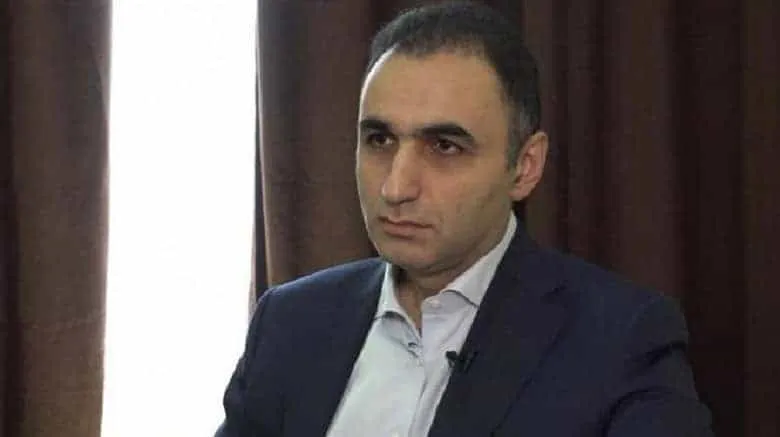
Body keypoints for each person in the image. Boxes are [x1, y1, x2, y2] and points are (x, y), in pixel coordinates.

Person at [215, 2, 713, 436]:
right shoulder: (291, 322)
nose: (395, 188)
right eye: (380, 140)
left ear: (525, 166)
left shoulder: (622, 340)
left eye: (445, 146)